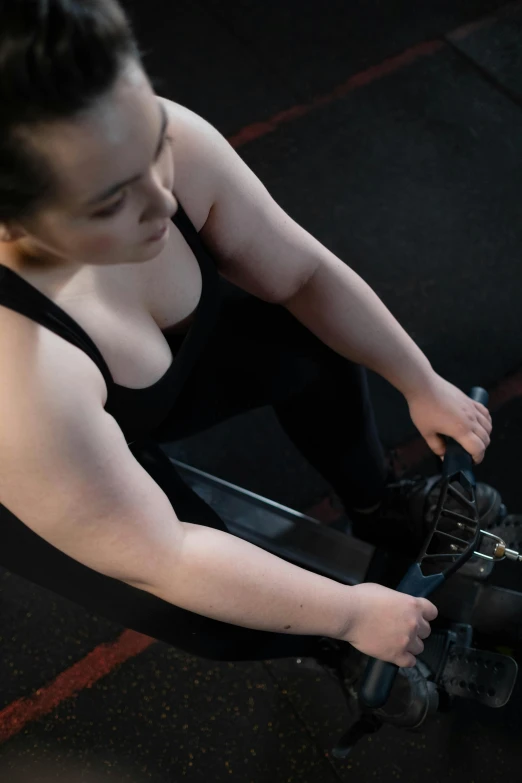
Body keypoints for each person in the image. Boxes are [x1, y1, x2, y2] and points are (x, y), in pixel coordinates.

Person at [0, 0, 499, 671]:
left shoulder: (167, 145)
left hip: (121, 390)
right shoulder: (20, 381)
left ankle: (379, 503)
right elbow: (165, 552)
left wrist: (420, 382)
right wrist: (350, 615)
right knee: (208, 614)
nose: (164, 202)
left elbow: (302, 276)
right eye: (110, 199)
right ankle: (334, 651)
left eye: (152, 144)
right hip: (37, 466)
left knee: (300, 337)